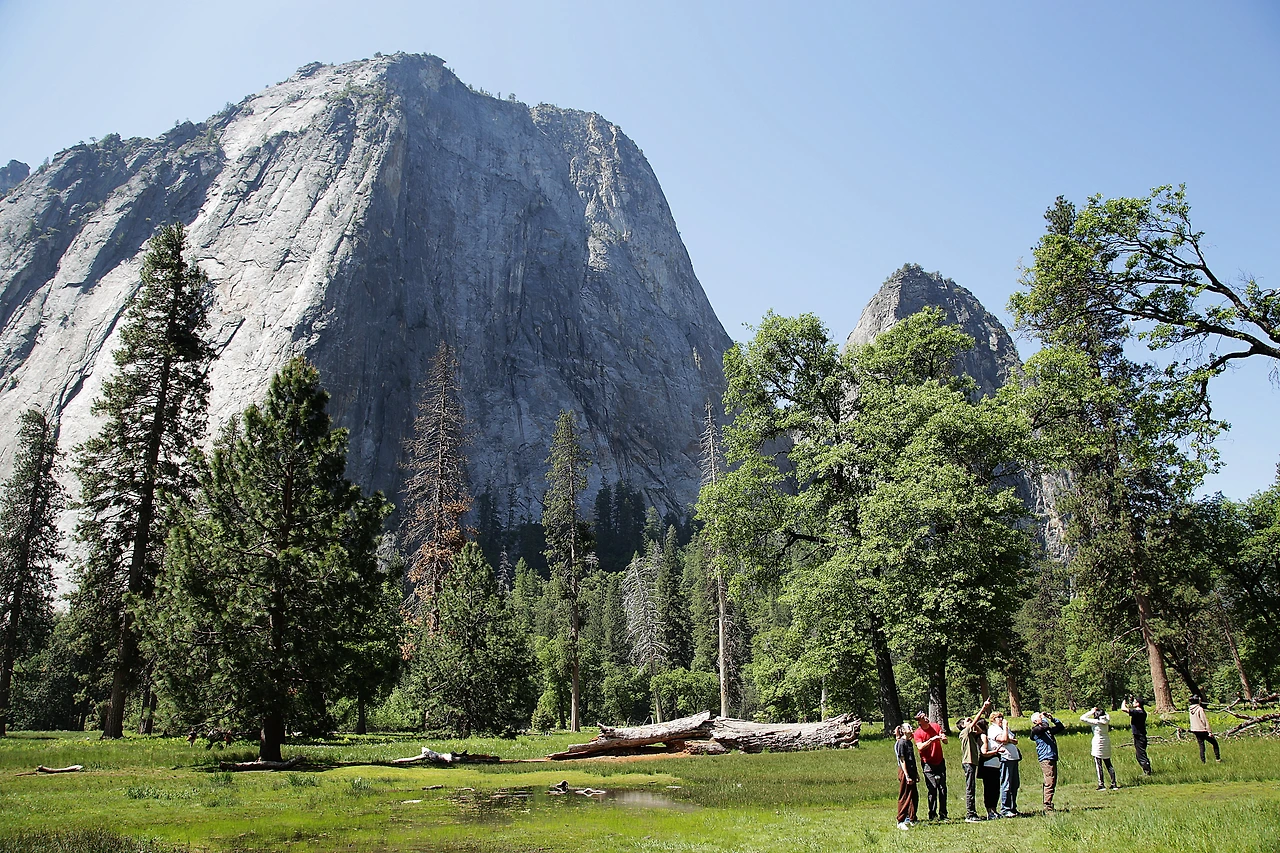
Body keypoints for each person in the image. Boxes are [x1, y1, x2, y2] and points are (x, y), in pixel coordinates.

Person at [958, 698, 992, 822]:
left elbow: (979, 730)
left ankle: (972, 812)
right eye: (967, 721)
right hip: (968, 763)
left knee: (972, 787)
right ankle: (970, 814)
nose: (970, 721)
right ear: (963, 726)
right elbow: (974, 725)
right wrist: (983, 708)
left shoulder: (970, 733)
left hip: (972, 762)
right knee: (970, 788)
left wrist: (972, 722)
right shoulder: (964, 733)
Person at [912, 710, 948, 821]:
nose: (926, 718)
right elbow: (920, 747)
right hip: (927, 763)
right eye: (923, 717)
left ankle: (943, 814)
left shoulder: (936, 726)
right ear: (919, 721)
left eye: (926, 716)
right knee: (932, 789)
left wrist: (944, 738)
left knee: (942, 788)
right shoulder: (918, 733)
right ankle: (932, 814)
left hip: (940, 761)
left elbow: (945, 740)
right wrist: (931, 740)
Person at [1029, 711, 1066, 812]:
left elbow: (1060, 727)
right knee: (1049, 781)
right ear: (1035, 721)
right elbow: (1043, 727)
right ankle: (1047, 804)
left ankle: (1048, 802)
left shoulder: (1047, 730)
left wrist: (1052, 718)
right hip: (1046, 758)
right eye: (1041, 717)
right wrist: (1042, 719)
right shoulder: (1036, 730)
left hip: (1052, 756)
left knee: (1052, 780)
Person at [989, 710, 1021, 817]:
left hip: (1013, 758)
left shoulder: (1003, 729)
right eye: (998, 717)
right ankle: (1005, 809)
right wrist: (1006, 729)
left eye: (1002, 717)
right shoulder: (993, 729)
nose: (1001, 719)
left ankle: (1013, 807)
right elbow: (1003, 739)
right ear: (993, 719)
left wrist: (1008, 738)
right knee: (1006, 783)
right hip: (1005, 758)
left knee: (1015, 784)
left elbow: (1014, 740)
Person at [1081, 707, 1119, 789]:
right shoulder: (1107, 720)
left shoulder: (1096, 722)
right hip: (1106, 741)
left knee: (1099, 765)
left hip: (1098, 742)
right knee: (1108, 764)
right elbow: (1107, 715)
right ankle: (1114, 783)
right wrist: (1102, 711)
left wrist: (1091, 711)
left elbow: (1082, 718)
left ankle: (1101, 784)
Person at [894, 723, 919, 829]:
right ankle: (901, 821)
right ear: (903, 731)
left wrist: (916, 773)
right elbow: (902, 759)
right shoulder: (901, 743)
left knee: (914, 796)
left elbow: (912, 759)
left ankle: (912, 819)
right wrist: (907, 775)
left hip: (912, 772)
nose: (911, 729)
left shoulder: (909, 742)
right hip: (905, 772)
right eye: (909, 727)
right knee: (905, 796)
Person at [1119, 697, 1152, 775]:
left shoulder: (1138, 712)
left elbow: (1123, 709)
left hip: (1139, 736)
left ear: (1138, 704)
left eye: (1134, 702)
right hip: (1140, 736)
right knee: (1139, 755)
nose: (1133, 703)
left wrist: (1124, 700)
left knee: (1141, 755)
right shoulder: (1142, 712)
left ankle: (1147, 771)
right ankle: (1146, 770)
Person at [978, 717, 1003, 819]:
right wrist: (996, 752)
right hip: (988, 766)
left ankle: (994, 810)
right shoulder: (983, 736)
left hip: (995, 765)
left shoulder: (987, 736)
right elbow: (984, 753)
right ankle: (990, 811)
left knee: (995, 789)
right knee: (990, 789)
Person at [1189, 695, 1221, 763]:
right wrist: (1209, 732)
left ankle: (1203, 761)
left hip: (1195, 730)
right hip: (1202, 730)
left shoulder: (1190, 709)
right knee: (1214, 743)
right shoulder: (1200, 709)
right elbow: (1204, 721)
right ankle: (1218, 759)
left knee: (1201, 746)